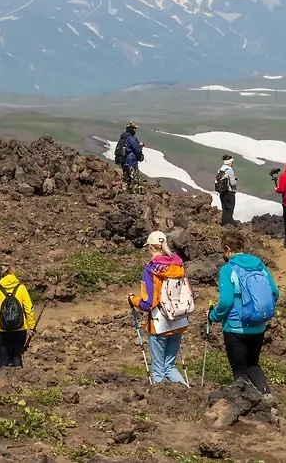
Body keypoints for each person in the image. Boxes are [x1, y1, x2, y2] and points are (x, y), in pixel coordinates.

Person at [209, 232, 279, 393]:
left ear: (227, 249)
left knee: (240, 369)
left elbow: (226, 301)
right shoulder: (259, 265)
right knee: (253, 364)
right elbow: (275, 292)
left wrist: (213, 316)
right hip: (259, 325)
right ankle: (266, 395)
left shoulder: (228, 269)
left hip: (235, 328)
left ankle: (245, 404)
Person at [128, 231, 191, 385]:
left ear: (149, 247)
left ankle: (158, 402)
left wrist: (133, 300)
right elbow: (188, 291)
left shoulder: (150, 270)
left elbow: (148, 303)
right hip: (178, 320)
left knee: (158, 369)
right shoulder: (178, 265)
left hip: (159, 324)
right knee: (170, 366)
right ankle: (188, 393)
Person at [0, 264, 36, 368]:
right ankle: (19, 380)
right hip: (20, 327)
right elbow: (29, 308)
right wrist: (31, 326)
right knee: (17, 356)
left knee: (4, 356)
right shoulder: (21, 288)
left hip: (2, 328)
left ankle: (4, 380)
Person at [121, 122, 145, 193]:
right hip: (131, 162)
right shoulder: (131, 138)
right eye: (134, 128)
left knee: (126, 180)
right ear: (131, 129)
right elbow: (138, 149)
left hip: (124, 162)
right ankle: (135, 197)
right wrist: (141, 145)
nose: (135, 130)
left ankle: (124, 195)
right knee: (135, 180)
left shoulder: (123, 137)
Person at [216, 154, 238, 226]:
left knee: (224, 208)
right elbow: (232, 183)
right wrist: (236, 181)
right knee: (230, 208)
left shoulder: (220, 169)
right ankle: (229, 223)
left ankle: (224, 222)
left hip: (222, 192)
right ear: (229, 162)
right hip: (229, 192)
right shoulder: (229, 170)